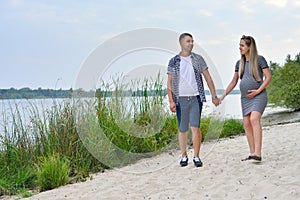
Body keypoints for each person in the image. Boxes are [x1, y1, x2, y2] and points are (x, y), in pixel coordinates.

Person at [167, 33, 220, 167]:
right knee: (183, 129)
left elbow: (208, 78)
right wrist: (171, 101)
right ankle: (184, 155)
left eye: (192, 41)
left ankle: (196, 156)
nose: (191, 44)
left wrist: (214, 96)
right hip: (180, 100)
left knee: (195, 127)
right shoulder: (174, 61)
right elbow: (169, 82)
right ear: (181, 43)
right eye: (188, 41)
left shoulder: (198, 59)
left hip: (196, 98)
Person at [220, 35, 272, 161]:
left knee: (254, 119)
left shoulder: (260, 60)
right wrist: (222, 96)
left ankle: (258, 153)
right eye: (239, 45)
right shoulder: (239, 63)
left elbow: (268, 77)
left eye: (242, 45)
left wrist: (258, 90)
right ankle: (252, 152)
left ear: (250, 47)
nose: (240, 48)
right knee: (247, 124)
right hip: (245, 98)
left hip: (259, 95)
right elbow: (233, 82)